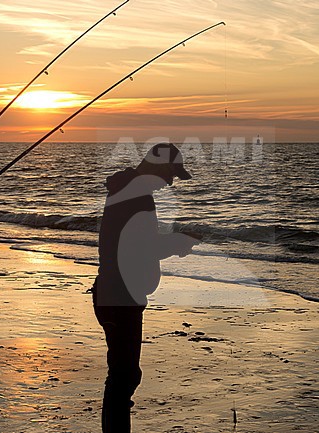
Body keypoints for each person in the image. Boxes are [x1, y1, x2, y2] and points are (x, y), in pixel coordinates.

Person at [91, 143, 200, 433]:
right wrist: (177, 242)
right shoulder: (137, 197)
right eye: (171, 174)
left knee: (122, 375)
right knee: (124, 376)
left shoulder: (126, 190)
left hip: (112, 292)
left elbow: (136, 246)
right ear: (159, 168)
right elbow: (140, 250)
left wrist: (172, 243)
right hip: (120, 296)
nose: (171, 182)